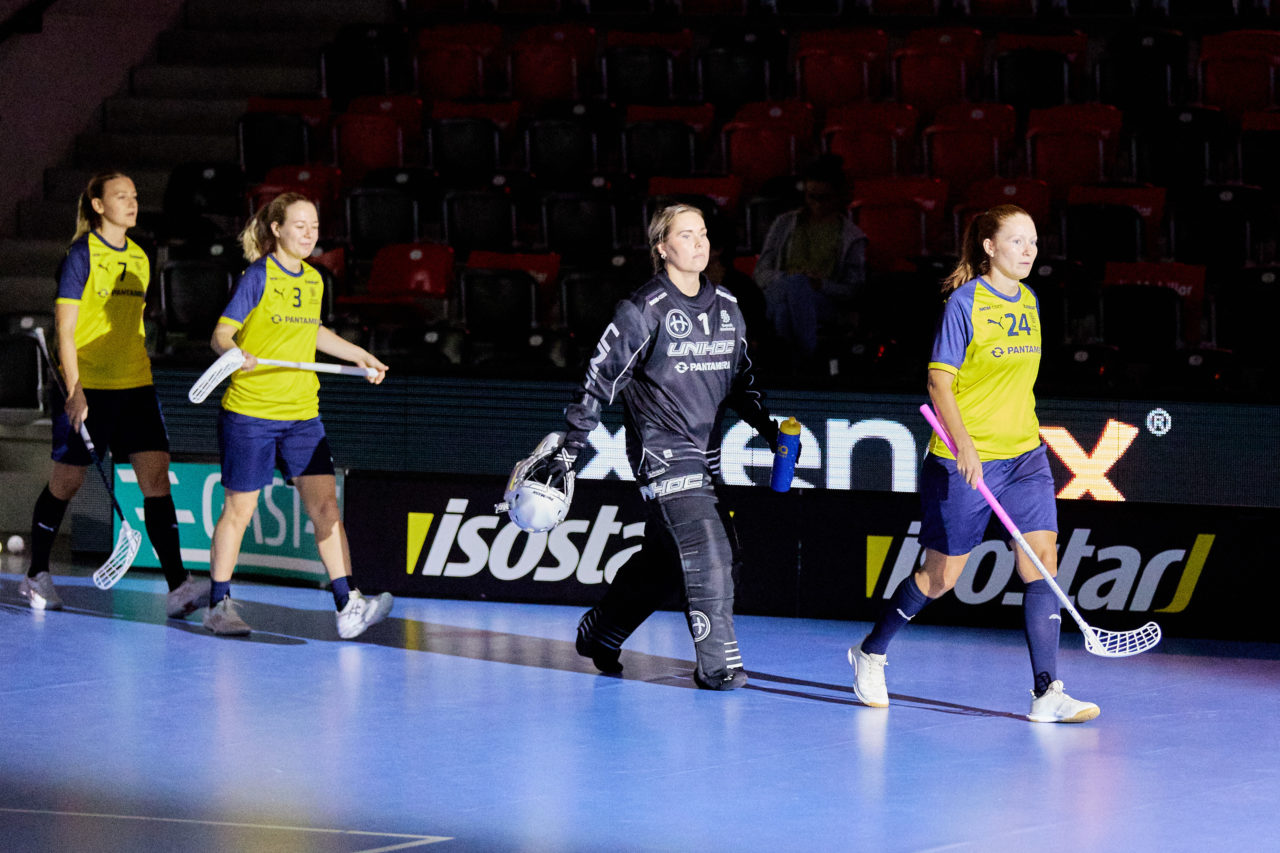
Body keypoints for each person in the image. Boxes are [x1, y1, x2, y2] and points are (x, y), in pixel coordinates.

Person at [848, 205, 1099, 723]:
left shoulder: (1028, 301)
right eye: (1017, 241)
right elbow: (939, 380)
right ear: (989, 246)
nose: (1028, 251)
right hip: (963, 460)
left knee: (1042, 566)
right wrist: (964, 445)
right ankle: (871, 651)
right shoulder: (965, 304)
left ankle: (1046, 690)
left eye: (1033, 242)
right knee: (942, 577)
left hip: (1025, 455)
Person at [553, 203, 782, 690]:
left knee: (670, 561)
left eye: (702, 234)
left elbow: (743, 385)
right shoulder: (641, 310)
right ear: (662, 248)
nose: (699, 243)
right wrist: (570, 450)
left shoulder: (729, 307)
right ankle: (718, 665)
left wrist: (771, 429)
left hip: (705, 456)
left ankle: (603, 632)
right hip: (661, 453)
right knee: (709, 548)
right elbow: (599, 383)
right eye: (686, 235)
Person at [21, 172, 210, 617]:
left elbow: (133, 325)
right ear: (99, 205)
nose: (132, 202)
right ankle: (36, 573)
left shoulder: (143, 257)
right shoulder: (81, 256)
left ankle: (178, 585)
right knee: (67, 481)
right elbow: (65, 330)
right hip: (89, 386)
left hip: (136, 385)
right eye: (121, 196)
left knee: (156, 479)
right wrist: (74, 390)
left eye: (135, 196)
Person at [203, 192, 392, 638]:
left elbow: (314, 332)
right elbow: (220, 335)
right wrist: (235, 354)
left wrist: (361, 355)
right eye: (300, 226)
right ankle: (218, 604)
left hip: (303, 413)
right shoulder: (257, 277)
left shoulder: (314, 280)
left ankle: (348, 605)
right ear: (277, 229)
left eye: (314, 227)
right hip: (251, 412)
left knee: (326, 506)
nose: (309, 234)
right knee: (239, 511)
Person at [753, 154, 867, 369]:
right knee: (794, 287)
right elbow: (761, 272)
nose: (816, 204)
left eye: (823, 198)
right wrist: (790, 278)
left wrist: (820, 285)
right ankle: (807, 361)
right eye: (811, 197)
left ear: (837, 196)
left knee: (785, 311)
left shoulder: (852, 236)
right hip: (780, 289)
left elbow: (853, 290)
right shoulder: (784, 224)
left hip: (823, 301)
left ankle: (792, 364)